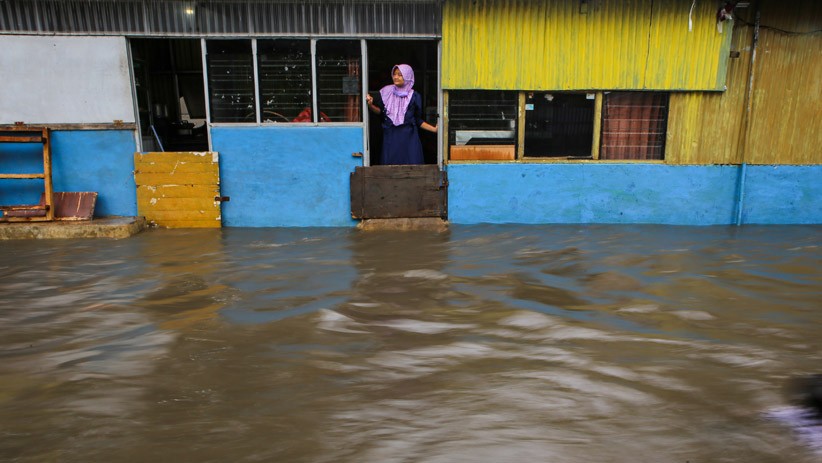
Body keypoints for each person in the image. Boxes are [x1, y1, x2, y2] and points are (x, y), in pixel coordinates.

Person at [366, 64, 437, 165]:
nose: (395, 77)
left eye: (400, 75)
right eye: (394, 74)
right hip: (391, 138)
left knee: (412, 169)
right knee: (390, 169)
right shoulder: (386, 92)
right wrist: (370, 105)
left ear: (407, 76)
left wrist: (434, 129)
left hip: (409, 139)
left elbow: (418, 120)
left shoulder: (415, 96)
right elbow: (380, 112)